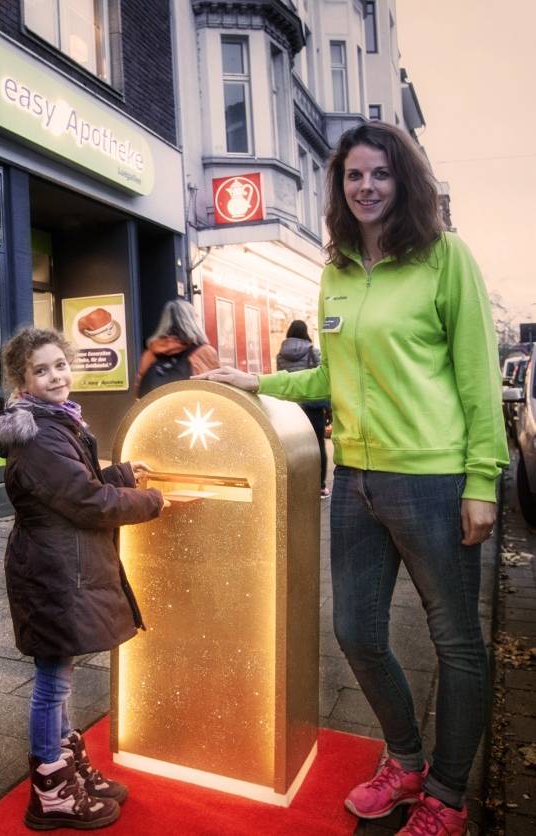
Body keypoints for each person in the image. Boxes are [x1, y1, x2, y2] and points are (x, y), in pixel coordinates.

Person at [196, 122, 507, 836]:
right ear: (338, 187)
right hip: (357, 481)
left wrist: (481, 482)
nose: (365, 187)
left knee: (455, 642)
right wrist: (254, 379)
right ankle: (403, 761)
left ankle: (447, 797)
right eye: (353, 175)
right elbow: (330, 376)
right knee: (356, 632)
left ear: (405, 182)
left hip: (432, 480)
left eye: (380, 174)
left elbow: (476, 379)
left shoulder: (442, 258)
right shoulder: (335, 270)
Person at [0, 327, 167, 831]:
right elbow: (84, 502)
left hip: (60, 563)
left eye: (59, 365)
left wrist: (123, 474)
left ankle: (67, 768)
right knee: (51, 681)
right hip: (53, 570)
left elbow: (75, 484)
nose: (55, 376)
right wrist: (151, 502)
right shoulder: (39, 433)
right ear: (23, 380)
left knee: (58, 676)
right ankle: (51, 790)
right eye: (40, 370)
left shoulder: (53, 421)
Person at [275, 319, 332, 497]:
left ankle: (296, 485)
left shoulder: (280, 355)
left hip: (290, 408)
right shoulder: (312, 351)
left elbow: (281, 378)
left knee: (293, 446)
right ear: (306, 332)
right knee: (317, 445)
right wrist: (329, 407)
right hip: (313, 406)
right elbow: (323, 380)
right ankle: (320, 486)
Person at [135, 299, 220, 397]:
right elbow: (214, 391)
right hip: (190, 410)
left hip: (156, 410)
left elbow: (139, 389)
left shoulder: (152, 351)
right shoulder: (204, 352)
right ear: (193, 321)